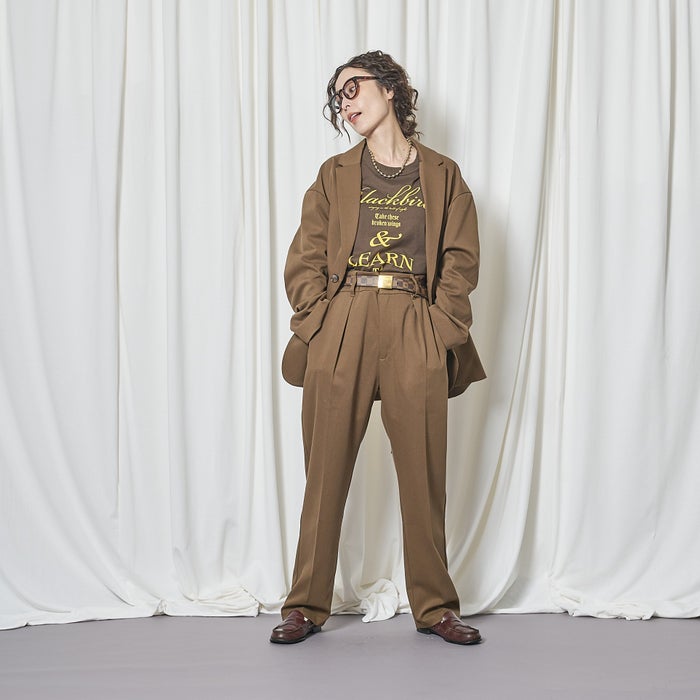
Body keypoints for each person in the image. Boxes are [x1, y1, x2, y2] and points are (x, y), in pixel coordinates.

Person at [271, 50, 486, 646]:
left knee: (424, 473)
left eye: (354, 87)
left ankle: (435, 606)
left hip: (415, 320)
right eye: (338, 97)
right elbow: (304, 258)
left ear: (390, 88)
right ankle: (305, 604)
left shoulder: (443, 175)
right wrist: (320, 323)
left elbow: (461, 261)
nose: (346, 103)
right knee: (324, 472)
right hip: (345, 320)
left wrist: (440, 329)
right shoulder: (334, 174)